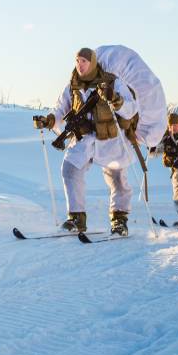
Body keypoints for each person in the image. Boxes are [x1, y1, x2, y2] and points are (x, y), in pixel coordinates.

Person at [33, 48, 138, 236]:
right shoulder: (72, 86)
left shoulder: (112, 82)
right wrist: (48, 120)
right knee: (70, 169)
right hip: (84, 137)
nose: (80, 65)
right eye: (77, 61)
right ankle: (76, 218)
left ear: (92, 62)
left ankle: (119, 220)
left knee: (117, 178)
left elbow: (131, 108)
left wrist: (114, 99)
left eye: (84, 61)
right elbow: (60, 110)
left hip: (110, 138)